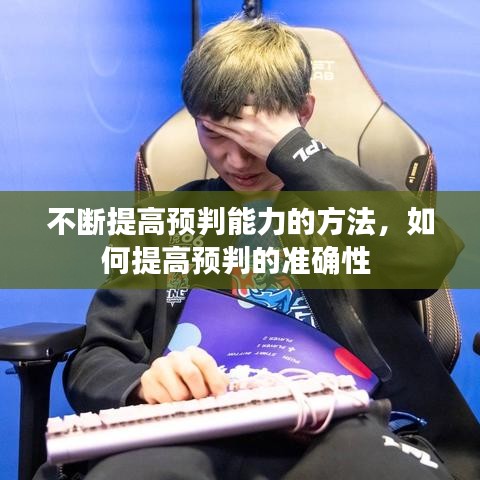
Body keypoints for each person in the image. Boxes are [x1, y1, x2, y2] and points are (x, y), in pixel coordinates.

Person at [35, 16, 480, 480]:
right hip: (199, 428)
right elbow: (96, 357)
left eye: (254, 139)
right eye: (215, 134)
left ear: (303, 114)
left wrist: (295, 152)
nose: (236, 159)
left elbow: (429, 260)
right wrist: (141, 383)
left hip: (349, 426)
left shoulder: (350, 201)